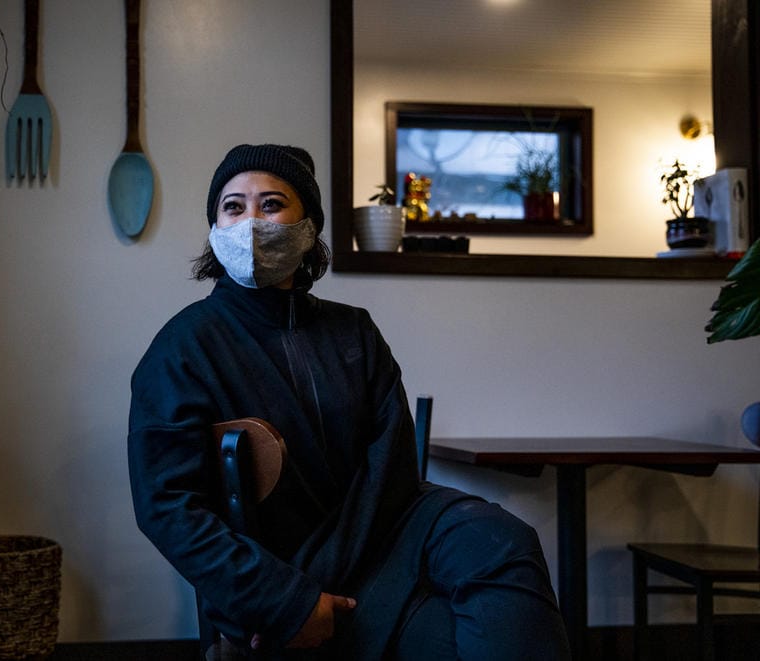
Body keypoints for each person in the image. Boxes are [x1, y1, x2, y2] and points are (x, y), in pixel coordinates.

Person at [128, 144, 570, 660]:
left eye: (271, 204)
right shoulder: (183, 347)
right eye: (233, 206)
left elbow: (393, 470)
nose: (250, 220)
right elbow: (168, 506)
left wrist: (332, 577)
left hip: (386, 543)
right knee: (458, 642)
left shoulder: (352, 330)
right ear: (213, 227)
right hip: (274, 574)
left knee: (504, 540)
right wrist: (285, 602)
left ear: (308, 226)